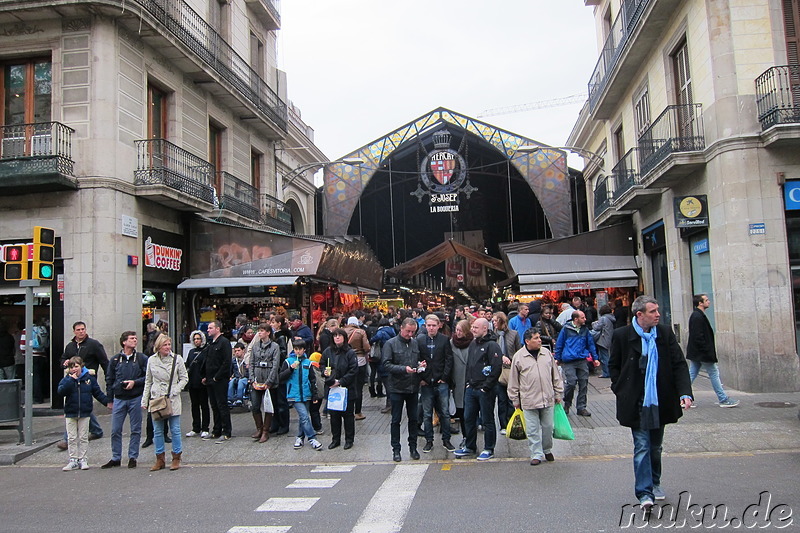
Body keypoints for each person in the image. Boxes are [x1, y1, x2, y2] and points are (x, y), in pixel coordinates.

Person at [609, 295, 693, 509]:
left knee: (655, 447)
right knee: (642, 446)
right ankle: (644, 493)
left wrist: (685, 393)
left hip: (660, 399)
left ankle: (655, 482)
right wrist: (620, 389)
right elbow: (614, 366)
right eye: (653, 311)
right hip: (635, 401)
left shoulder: (664, 333)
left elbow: (679, 364)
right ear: (640, 315)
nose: (658, 315)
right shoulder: (621, 335)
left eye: (657, 310)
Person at [507, 328, 563, 465]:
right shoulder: (519, 357)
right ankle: (536, 453)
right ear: (527, 341)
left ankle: (547, 449)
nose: (540, 340)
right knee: (532, 430)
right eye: (536, 338)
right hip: (529, 399)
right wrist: (515, 398)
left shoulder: (546, 354)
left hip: (547, 398)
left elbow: (555, 375)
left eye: (539, 338)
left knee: (548, 427)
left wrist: (558, 392)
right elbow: (513, 379)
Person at [453, 318, 502, 461]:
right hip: (471, 388)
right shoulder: (473, 344)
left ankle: (489, 448)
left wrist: (486, 387)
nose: (473, 329)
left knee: (487, 420)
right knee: (468, 418)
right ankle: (470, 446)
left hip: (485, 390)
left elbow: (496, 367)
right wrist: (468, 383)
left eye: (476, 327)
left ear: (485, 329)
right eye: (472, 327)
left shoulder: (492, 345)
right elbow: (470, 365)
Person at [56, 321, 109, 450]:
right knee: (81, 405)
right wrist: (64, 362)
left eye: (83, 329)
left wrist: (109, 379)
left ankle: (67, 439)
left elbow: (104, 362)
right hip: (72, 380)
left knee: (82, 404)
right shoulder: (70, 346)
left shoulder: (94, 345)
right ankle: (96, 430)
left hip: (87, 380)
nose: (81, 332)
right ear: (74, 331)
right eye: (78, 330)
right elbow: (62, 359)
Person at [142, 334, 189, 471]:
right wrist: (145, 400)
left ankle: (176, 457)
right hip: (157, 398)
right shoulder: (151, 360)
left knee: (175, 429)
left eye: (169, 344)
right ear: (158, 347)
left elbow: (184, 378)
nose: (168, 347)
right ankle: (160, 459)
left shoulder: (177, 359)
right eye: (165, 345)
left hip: (172, 397)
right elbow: (148, 381)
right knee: (157, 430)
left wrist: (176, 389)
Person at [101, 331, 148, 469]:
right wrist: (109, 399)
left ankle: (133, 456)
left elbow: (147, 377)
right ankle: (116, 457)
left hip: (135, 397)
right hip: (119, 398)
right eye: (131, 339)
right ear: (124, 342)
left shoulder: (141, 358)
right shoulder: (115, 360)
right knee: (115, 429)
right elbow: (109, 379)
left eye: (135, 338)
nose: (135, 341)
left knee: (136, 429)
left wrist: (135, 382)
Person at [58, 356, 111, 471]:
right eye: (71, 367)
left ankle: (83, 459)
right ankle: (73, 459)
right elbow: (61, 391)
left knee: (83, 437)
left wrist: (108, 402)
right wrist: (71, 380)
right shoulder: (67, 379)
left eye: (76, 366)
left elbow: (97, 392)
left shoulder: (89, 379)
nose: (74, 369)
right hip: (71, 412)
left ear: (81, 366)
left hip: (84, 412)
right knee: (71, 438)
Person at [382, 318, 424, 462]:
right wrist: (403, 369)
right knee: (396, 420)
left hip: (413, 388)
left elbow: (418, 359)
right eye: (408, 331)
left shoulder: (415, 343)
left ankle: (413, 447)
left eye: (413, 332)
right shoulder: (390, 344)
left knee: (413, 419)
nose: (410, 334)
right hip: (397, 388)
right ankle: (396, 449)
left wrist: (421, 365)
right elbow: (386, 364)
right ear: (401, 328)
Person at [687, 294, 739, 407]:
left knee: (691, 374)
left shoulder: (697, 315)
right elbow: (698, 336)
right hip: (702, 353)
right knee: (713, 373)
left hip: (698, 353)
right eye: (706, 300)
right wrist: (706, 351)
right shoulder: (697, 316)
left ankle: (681, 397)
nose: (708, 302)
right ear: (700, 303)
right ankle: (723, 398)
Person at [417, 314, 454, 453]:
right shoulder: (419, 340)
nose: (431, 328)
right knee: (427, 414)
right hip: (426, 382)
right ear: (425, 326)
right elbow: (417, 359)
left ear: (439, 326)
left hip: (441, 382)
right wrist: (421, 377)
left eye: (434, 325)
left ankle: (446, 439)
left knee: (444, 412)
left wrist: (444, 377)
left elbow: (449, 359)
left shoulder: (444, 340)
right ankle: (429, 441)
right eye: (429, 325)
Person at [279, 339, 323, 451]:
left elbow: (312, 379)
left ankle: (299, 437)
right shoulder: (288, 361)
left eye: (300, 349)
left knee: (303, 418)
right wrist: (291, 368)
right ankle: (312, 438)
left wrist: (314, 394)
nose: (298, 351)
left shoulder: (308, 363)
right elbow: (281, 377)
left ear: (304, 350)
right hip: (294, 394)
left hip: (306, 393)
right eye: (296, 349)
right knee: (304, 416)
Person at [554, 310, 600, 416]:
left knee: (583, 383)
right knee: (571, 382)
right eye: (582, 317)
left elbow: (590, 344)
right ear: (576, 319)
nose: (585, 319)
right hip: (569, 361)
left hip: (582, 359)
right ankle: (567, 403)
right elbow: (560, 344)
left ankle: (581, 407)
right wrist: (557, 357)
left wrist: (595, 358)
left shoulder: (585, 330)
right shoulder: (566, 329)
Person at [321, 328, 358, 449]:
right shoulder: (328, 351)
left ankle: (349, 439)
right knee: (334, 417)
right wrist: (324, 372)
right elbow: (322, 364)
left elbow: (353, 370)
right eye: (335, 335)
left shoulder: (350, 352)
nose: (337, 338)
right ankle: (335, 439)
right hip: (332, 388)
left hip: (346, 388)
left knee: (348, 416)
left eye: (339, 336)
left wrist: (341, 381)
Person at [248, 323, 281, 443]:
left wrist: (269, 381)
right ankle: (259, 428)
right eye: (259, 331)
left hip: (269, 380)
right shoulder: (256, 346)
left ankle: (266, 430)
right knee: (255, 405)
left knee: (268, 406)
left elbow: (275, 365)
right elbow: (251, 363)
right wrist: (252, 379)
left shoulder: (275, 346)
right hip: (257, 379)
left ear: (268, 332)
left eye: (262, 331)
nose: (260, 333)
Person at [202, 320, 232, 443]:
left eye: (210, 328)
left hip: (219, 380)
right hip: (210, 380)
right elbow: (208, 361)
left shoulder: (224, 343)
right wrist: (205, 376)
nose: (208, 330)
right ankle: (216, 430)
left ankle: (226, 431)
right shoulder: (211, 344)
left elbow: (226, 362)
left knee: (222, 405)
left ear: (217, 329)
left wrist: (217, 377)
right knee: (214, 405)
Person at [492, 311, 522, 435]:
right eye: (493, 321)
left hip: (511, 370)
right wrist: (501, 357)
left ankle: (511, 422)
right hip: (498, 371)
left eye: (495, 320)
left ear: (502, 321)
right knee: (501, 399)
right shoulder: (492, 335)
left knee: (512, 398)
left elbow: (518, 351)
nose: (493, 323)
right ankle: (503, 424)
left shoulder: (513, 334)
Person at [450, 319, 473, 444]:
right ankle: (465, 437)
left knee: (470, 413)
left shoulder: (474, 343)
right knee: (461, 412)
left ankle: (470, 438)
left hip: (470, 382)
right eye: (456, 330)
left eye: (460, 330)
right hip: (457, 382)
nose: (458, 333)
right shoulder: (451, 343)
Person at [184, 330, 210, 438]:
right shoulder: (190, 352)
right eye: (194, 339)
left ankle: (205, 428)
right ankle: (196, 428)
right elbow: (187, 365)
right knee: (194, 406)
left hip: (202, 383)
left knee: (204, 405)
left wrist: (205, 377)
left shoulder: (206, 351)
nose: (196, 341)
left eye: (198, 339)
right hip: (192, 382)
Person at [344, 316, 370, 421]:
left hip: (345, 361)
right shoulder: (361, 332)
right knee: (358, 387)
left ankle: (346, 410)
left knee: (346, 385)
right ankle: (358, 412)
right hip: (359, 360)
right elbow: (366, 347)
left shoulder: (342, 331)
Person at [369, 318, 395, 399]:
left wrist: (371, 341)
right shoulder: (392, 330)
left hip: (382, 354)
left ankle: (386, 398)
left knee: (382, 374)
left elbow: (374, 339)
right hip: (391, 353)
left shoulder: (381, 331)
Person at [592, 304, 616, 378]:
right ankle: (609, 371)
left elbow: (596, 327)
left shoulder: (603, 318)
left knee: (604, 357)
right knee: (607, 356)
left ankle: (606, 373)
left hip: (603, 339)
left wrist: (594, 323)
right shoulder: (611, 318)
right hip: (609, 338)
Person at [227, 343, 249, 407]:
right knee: (231, 382)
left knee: (241, 382)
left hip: (245, 378)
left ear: (243, 350)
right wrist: (229, 376)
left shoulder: (247, 359)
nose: (237, 352)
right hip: (237, 377)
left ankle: (239, 399)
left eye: (238, 350)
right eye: (235, 351)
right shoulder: (233, 360)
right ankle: (230, 399)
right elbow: (230, 370)